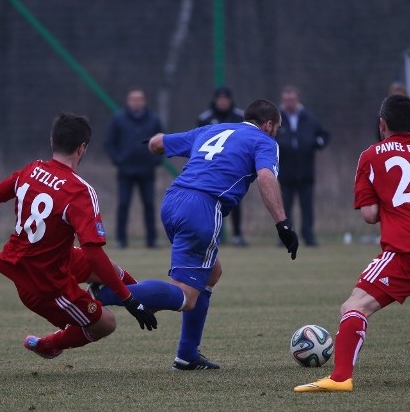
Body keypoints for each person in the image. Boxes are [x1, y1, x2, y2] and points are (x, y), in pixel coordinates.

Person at [94, 99, 299, 370]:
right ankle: (103, 296)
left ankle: (187, 354)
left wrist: (153, 145)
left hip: (172, 201)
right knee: (185, 297)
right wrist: (282, 224)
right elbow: (265, 177)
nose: (276, 134)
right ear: (269, 124)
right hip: (202, 209)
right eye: (277, 129)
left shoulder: (211, 130)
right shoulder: (264, 140)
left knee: (212, 272)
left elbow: (158, 142)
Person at [294, 94, 410, 393]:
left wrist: (388, 200)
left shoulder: (372, 155)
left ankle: (340, 378)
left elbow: (369, 215)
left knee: (354, 306)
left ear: (382, 125)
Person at [0, 113, 157, 359]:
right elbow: (93, 252)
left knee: (112, 271)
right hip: (45, 284)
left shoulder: (32, 170)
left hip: (48, 261)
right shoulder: (80, 191)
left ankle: (148, 300)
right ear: (83, 148)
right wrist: (128, 300)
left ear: (51, 139)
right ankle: (46, 345)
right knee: (106, 323)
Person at [105, 87, 163, 248]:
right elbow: (109, 143)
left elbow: (163, 141)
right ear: (128, 101)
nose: (136, 102)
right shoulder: (118, 119)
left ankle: (152, 240)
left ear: (144, 101)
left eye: (139, 99)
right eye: (133, 99)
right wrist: (118, 160)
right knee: (123, 204)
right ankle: (121, 240)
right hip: (126, 171)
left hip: (147, 171)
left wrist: (155, 161)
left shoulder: (153, 120)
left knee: (149, 205)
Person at [277, 85, 330, 246]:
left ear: (297, 99)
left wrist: (315, 143)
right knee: (284, 208)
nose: (289, 103)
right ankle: (286, 237)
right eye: (286, 100)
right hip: (285, 172)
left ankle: (309, 236)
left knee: (307, 207)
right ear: (282, 100)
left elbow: (324, 135)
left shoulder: (309, 118)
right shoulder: (277, 119)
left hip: (305, 171)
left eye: (292, 99)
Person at [196, 86, 248, 247]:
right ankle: (210, 237)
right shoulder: (205, 118)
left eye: (226, 99)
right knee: (208, 204)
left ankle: (237, 235)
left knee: (234, 202)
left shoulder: (240, 117)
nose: (223, 102)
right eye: (220, 99)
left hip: (234, 169)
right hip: (211, 170)